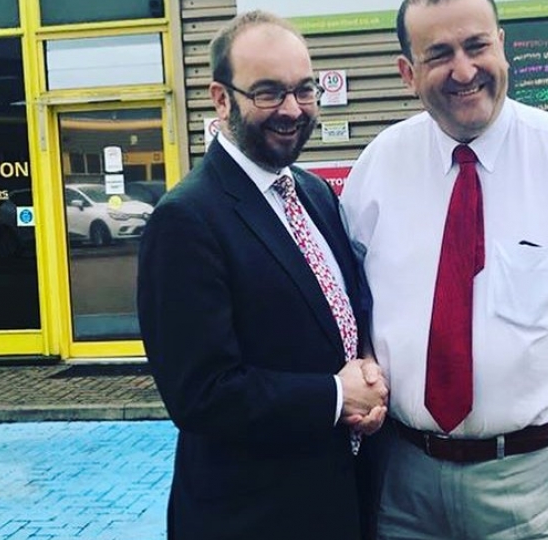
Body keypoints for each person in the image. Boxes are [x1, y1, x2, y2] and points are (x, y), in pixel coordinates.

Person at [340, 0, 548, 539]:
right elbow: (354, 310)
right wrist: (368, 366)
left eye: (476, 46)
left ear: (502, 46)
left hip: (539, 485)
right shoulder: (377, 170)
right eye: (440, 53)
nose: (464, 71)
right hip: (401, 483)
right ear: (408, 72)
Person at [137, 10, 387, 540]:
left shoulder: (312, 193)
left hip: (339, 503)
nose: (293, 110)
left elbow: (337, 318)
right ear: (221, 99)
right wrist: (337, 397)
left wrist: (366, 369)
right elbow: (201, 394)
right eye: (269, 93)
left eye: (304, 90)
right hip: (250, 518)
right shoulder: (186, 219)